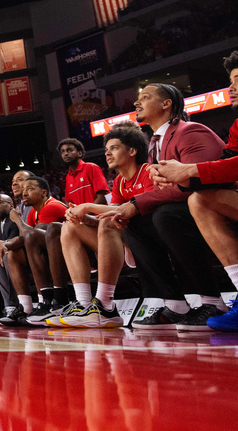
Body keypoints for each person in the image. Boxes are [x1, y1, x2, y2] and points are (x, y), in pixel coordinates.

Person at [100, 83, 232, 331]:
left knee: (166, 216)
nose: (137, 103)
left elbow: (198, 182)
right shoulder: (155, 143)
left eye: (145, 98)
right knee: (134, 225)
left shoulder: (191, 131)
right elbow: (161, 191)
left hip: (216, 210)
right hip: (186, 211)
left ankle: (213, 301)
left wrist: (136, 203)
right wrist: (133, 209)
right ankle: (175, 304)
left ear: (166, 103)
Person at [55, 122, 151, 328]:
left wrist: (87, 206)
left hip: (144, 241)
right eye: (106, 150)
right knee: (68, 227)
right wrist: (83, 217)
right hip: (122, 242)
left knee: (107, 221)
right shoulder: (118, 182)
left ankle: (105, 304)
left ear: (132, 150)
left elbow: (126, 210)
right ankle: (84, 303)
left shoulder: (148, 171)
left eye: (113, 148)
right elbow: (112, 210)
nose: (107, 154)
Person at [0, 176, 68, 327]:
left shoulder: (51, 206)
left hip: (69, 255)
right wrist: (8, 245)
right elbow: (26, 239)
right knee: (13, 253)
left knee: (20, 243)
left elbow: (32, 236)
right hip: (52, 254)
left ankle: (52, 302)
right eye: (24, 190)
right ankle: (25, 307)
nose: (24, 193)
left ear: (44, 192)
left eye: (30, 189)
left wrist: (17, 223)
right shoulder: (35, 212)